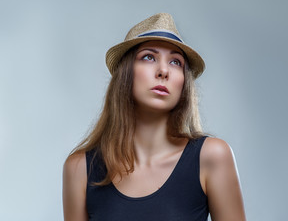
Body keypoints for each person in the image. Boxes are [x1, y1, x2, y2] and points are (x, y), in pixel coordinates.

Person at [62, 13, 246, 221]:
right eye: (149, 57)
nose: (163, 71)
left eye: (176, 62)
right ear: (126, 73)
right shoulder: (80, 169)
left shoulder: (212, 157)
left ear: (184, 82)